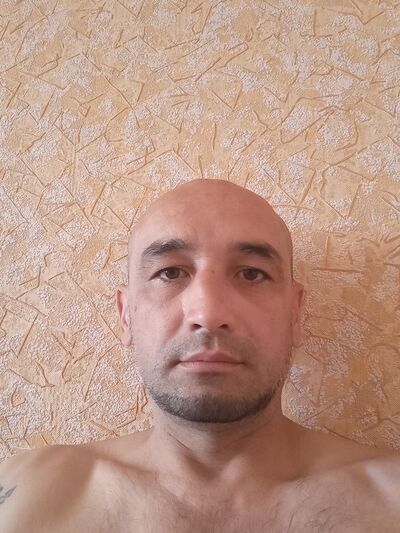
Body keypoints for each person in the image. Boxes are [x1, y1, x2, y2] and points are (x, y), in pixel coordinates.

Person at [1, 178, 399, 532]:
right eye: (170, 273)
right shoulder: (28, 495)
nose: (208, 314)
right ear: (126, 316)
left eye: (252, 273)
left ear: (295, 314)